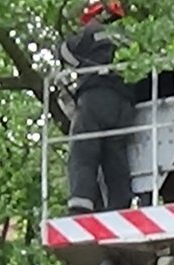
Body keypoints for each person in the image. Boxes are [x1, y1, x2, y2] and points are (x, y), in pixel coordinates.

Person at [59, 0, 136, 213]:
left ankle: (81, 204)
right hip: (124, 104)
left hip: (96, 97)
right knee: (115, 155)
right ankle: (119, 205)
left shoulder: (94, 30)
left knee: (84, 149)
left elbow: (64, 51)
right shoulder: (130, 39)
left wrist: (83, 66)